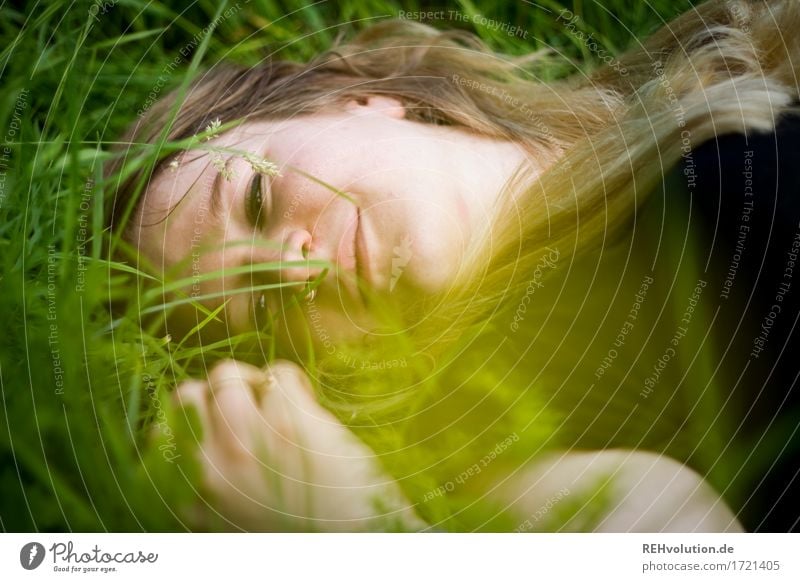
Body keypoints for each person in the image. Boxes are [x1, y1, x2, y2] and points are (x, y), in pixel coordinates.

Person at [106, 0, 800, 531]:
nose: (291, 269)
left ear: (361, 98)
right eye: (260, 305)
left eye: (257, 201)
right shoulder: (495, 468)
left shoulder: (759, 48)